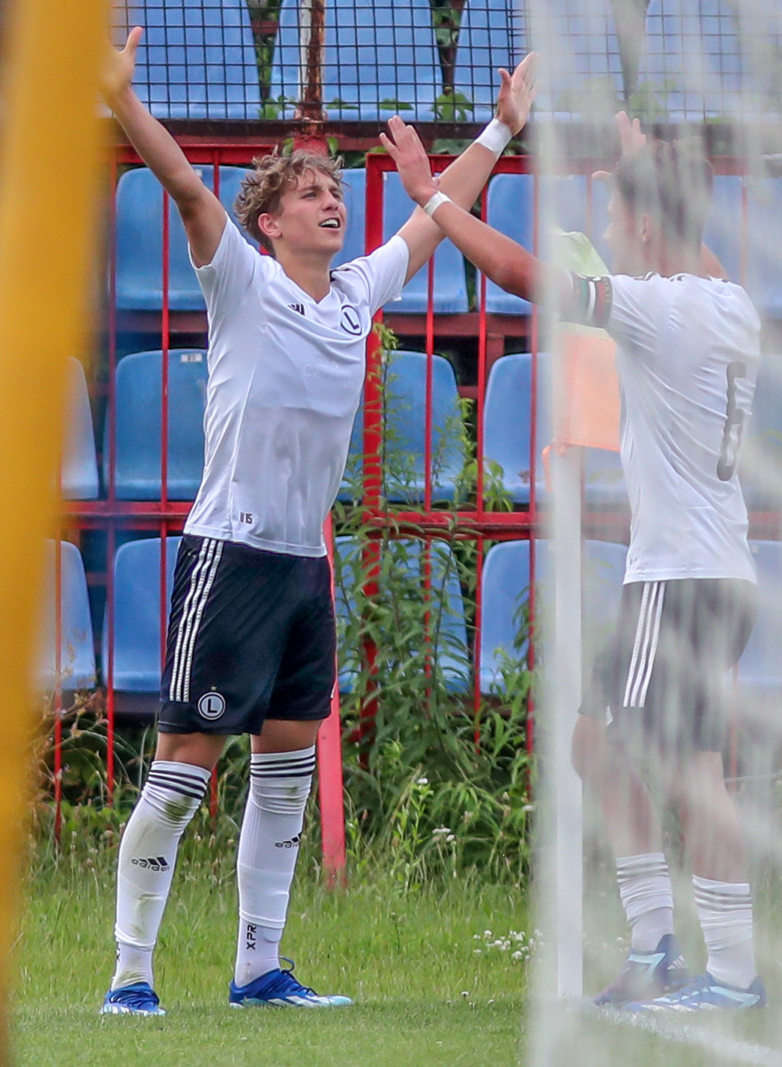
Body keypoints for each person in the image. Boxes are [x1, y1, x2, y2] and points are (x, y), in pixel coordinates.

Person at [97, 29, 539, 1016]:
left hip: (304, 565)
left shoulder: (354, 295)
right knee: (181, 773)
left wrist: (501, 129)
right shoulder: (239, 281)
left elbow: (441, 213)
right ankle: (131, 969)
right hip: (229, 555)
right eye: (310, 193)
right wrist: (122, 102)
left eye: (338, 190)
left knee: (287, 771)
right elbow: (185, 187)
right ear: (268, 221)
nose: (333, 201)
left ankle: (259, 966)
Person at [381, 112, 765, 1012]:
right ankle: (657, 944)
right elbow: (683, 253)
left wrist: (430, 196)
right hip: (705, 572)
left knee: (688, 767)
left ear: (638, 225)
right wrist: (642, 170)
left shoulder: (659, 307)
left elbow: (523, 275)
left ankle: (735, 971)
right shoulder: (725, 297)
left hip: (682, 578)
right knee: (598, 743)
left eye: (617, 213)